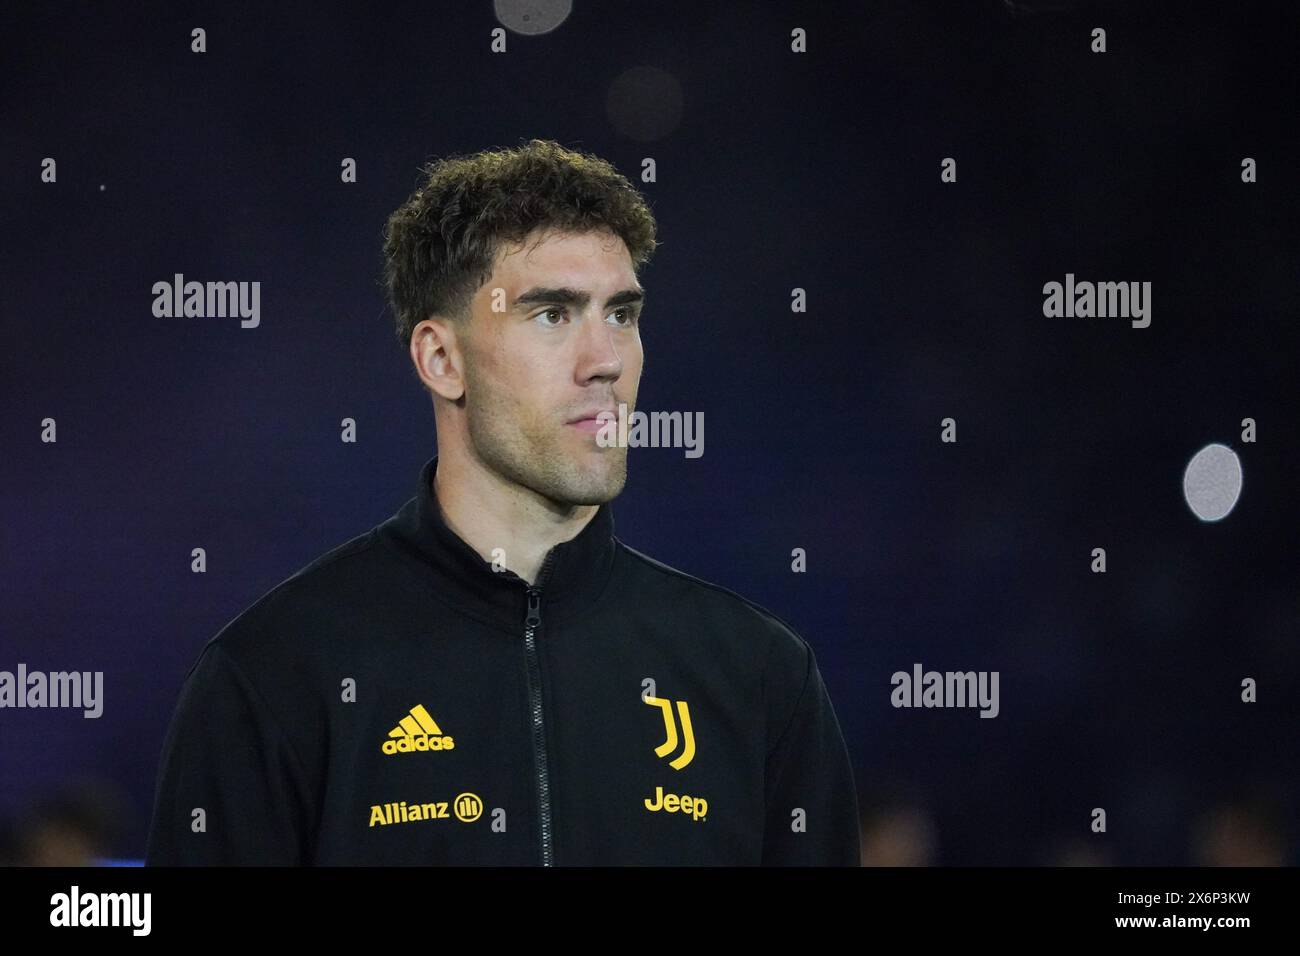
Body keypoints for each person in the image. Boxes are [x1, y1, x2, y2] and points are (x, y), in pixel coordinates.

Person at [145, 138, 859, 865]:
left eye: (621, 314)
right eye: (553, 314)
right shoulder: (275, 674)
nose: (606, 360)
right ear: (441, 360)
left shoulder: (759, 675)